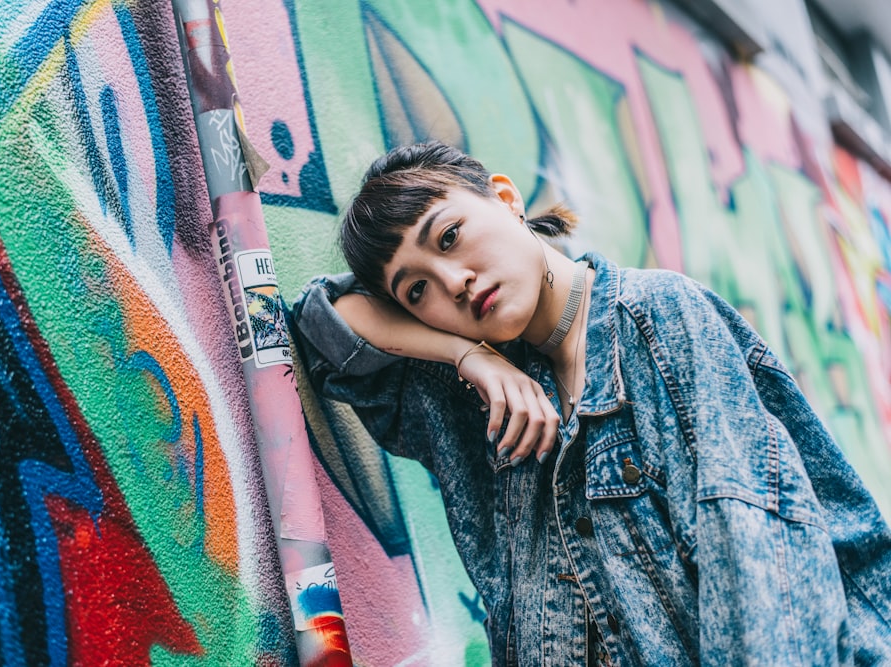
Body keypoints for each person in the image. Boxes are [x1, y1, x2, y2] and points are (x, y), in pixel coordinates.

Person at [289, 141, 891, 665]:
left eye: (450, 236)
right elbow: (321, 326)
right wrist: (467, 357)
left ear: (505, 199)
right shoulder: (474, 403)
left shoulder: (658, 318)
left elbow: (760, 558)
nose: (454, 283)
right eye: (416, 289)